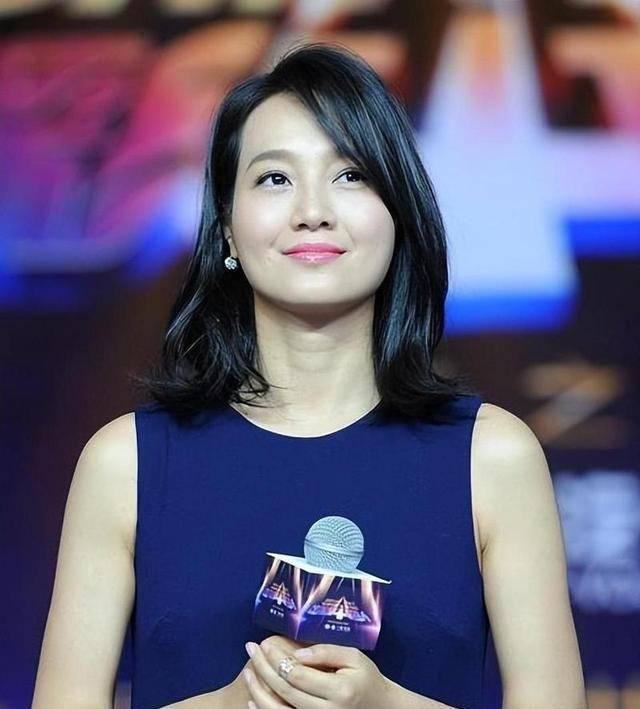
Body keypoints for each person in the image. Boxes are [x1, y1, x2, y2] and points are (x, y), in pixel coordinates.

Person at [33, 42, 587, 709]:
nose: (312, 210)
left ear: (398, 212)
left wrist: (385, 705)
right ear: (227, 229)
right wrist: (234, 702)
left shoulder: (492, 457)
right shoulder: (127, 463)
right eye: (274, 179)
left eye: (350, 174)